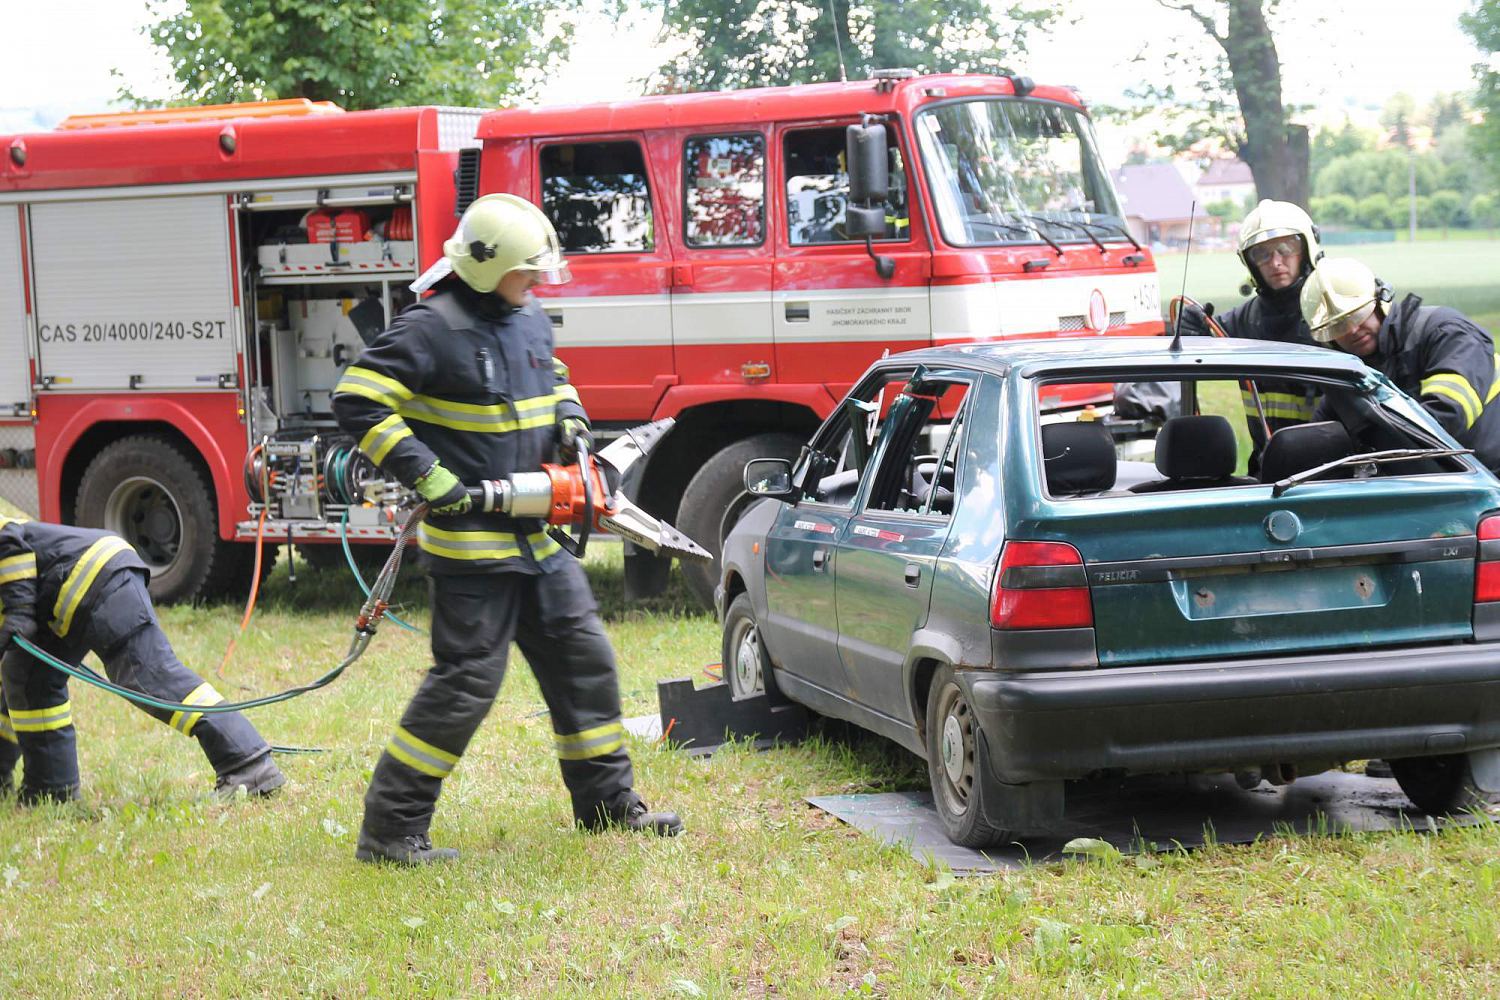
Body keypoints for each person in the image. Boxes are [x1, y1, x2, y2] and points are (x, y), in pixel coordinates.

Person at [332, 193, 681, 866]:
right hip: (473, 553)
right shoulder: (428, 329)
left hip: (541, 541)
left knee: (586, 665)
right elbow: (359, 398)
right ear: (488, 270)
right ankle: (391, 831)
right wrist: (432, 478)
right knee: (464, 687)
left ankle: (607, 808)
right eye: (528, 272)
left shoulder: (526, 319)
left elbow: (553, 375)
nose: (537, 285)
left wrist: (573, 421)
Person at [0, 516, 285, 802]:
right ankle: (50, 789)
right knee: (26, 680)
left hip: (93, 573)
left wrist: (19, 611)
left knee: (148, 674)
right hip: (62, 600)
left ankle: (249, 764)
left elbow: (8, 537)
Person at [1301, 256, 1500, 472]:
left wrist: (1377, 454)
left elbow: (1447, 417)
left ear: (1381, 300)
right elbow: (1317, 441)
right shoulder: (1349, 376)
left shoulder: (1445, 333)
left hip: (1490, 484)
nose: (1352, 330)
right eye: (1337, 326)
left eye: (1357, 315)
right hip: (1439, 488)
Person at [1179, 200, 1325, 470]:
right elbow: (1193, 346)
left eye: (1286, 248)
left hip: (1333, 470)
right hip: (1267, 471)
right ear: (1250, 262)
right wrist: (1191, 328)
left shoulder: (1333, 309)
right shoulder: (1241, 322)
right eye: (1262, 254)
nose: (1276, 262)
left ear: (1307, 248)